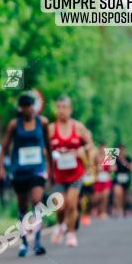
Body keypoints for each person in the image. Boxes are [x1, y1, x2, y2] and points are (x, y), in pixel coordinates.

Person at [0, 93, 50, 257]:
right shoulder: (14, 125)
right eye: (25, 106)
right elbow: (4, 147)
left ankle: (37, 241)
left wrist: (52, 169)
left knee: (36, 200)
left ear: (34, 106)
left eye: (30, 105)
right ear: (20, 108)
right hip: (19, 169)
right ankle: (24, 243)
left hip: (37, 168)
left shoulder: (42, 123)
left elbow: (49, 146)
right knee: (22, 207)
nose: (28, 109)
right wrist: (2, 167)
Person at [48, 96, 93, 248]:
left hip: (75, 173)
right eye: (59, 107)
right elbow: (45, 148)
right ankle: (60, 224)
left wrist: (82, 149)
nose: (61, 111)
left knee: (72, 204)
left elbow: (90, 144)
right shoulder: (51, 129)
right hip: (59, 174)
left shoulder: (78, 127)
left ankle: (71, 234)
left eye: (64, 107)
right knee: (60, 206)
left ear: (70, 109)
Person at [110, 144, 132, 217]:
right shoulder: (113, 158)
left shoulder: (128, 158)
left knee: (125, 197)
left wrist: (125, 163)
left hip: (126, 180)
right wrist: (112, 167)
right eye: (119, 150)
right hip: (117, 179)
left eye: (123, 150)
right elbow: (111, 169)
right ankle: (118, 208)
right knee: (117, 193)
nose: (121, 152)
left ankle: (125, 209)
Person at [91, 142, 113, 220]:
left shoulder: (109, 156)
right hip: (98, 179)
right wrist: (96, 168)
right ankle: (95, 208)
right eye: (102, 148)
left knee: (105, 196)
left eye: (105, 148)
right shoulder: (96, 157)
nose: (103, 149)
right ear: (99, 148)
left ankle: (103, 212)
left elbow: (112, 168)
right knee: (97, 197)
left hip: (106, 178)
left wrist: (111, 168)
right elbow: (91, 167)